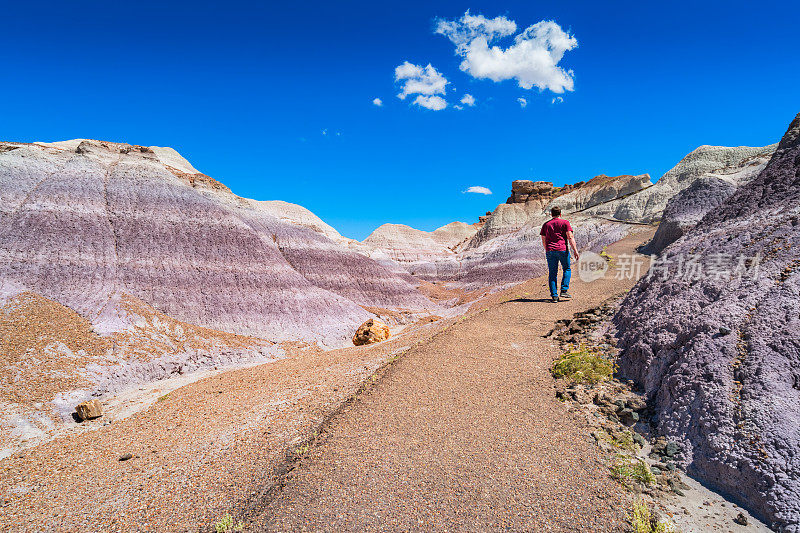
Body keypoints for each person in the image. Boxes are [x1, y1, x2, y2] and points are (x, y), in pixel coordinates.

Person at [540, 206, 580, 303]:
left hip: (550, 251)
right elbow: (570, 237)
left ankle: (554, 296)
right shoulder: (565, 223)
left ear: (551, 214)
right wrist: (575, 250)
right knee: (567, 269)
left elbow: (543, 240)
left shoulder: (546, 224)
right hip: (562, 249)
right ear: (560, 214)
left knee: (552, 273)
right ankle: (564, 290)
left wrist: (547, 250)